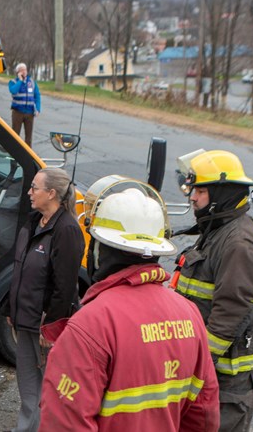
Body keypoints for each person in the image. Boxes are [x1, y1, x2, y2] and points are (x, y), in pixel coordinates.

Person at [43, 184, 219, 432]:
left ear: (99, 250)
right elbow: (204, 412)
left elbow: (63, 424)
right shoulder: (189, 313)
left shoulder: (91, 324)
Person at [172, 149, 253, 432]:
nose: (192, 197)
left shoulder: (239, 243)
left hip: (227, 381)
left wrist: (198, 366)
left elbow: (230, 315)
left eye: (200, 190)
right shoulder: (218, 229)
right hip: (210, 374)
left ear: (222, 193)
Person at [7, 167, 83, 432]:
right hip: (24, 319)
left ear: (51, 193)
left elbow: (65, 286)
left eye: (35, 187)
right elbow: (19, 270)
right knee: (28, 385)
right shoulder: (32, 221)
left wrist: (51, 327)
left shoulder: (67, 230)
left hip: (45, 327)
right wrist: (10, 308)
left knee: (51, 388)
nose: (30, 192)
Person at [8, 63, 41, 145]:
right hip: (17, 112)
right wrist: (20, 81)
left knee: (28, 138)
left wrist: (38, 108)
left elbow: (37, 96)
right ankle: (14, 153)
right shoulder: (13, 82)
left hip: (29, 113)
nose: (24, 71)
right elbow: (13, 91)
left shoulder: (32, 82)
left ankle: (28, 156)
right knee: (15, 135)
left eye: (25, 69)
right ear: (18, 72)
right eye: (21, 70)